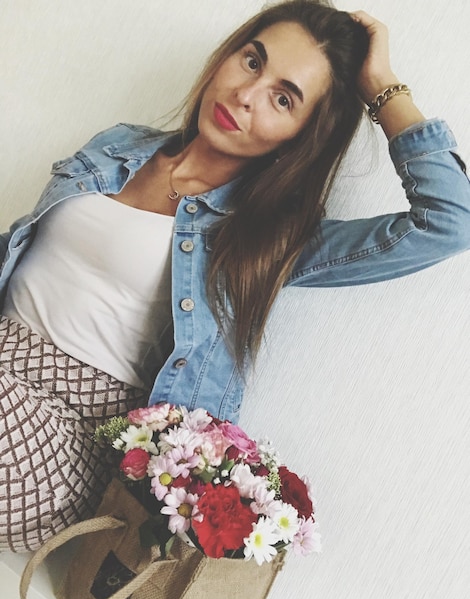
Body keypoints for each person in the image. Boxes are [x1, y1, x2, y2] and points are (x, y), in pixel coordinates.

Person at [1, 0, 469, 552]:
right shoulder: (120, 146)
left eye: (283, 98)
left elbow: (447, 218)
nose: (246, 96)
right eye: (252, 62)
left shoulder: (264, 240)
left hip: (70, 446)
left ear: (301, 136)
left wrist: (383, 86)